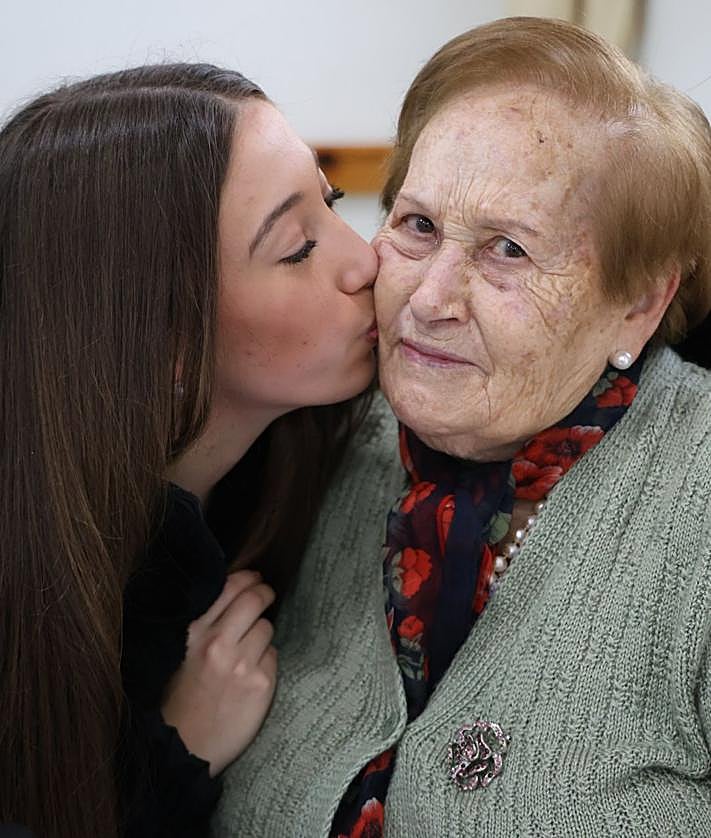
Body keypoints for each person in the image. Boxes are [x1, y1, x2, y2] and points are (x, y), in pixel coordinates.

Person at [215, 17, 711, 838]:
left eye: (507, 250)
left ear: (640, 302)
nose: (429, 298)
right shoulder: (309, 437)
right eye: (416, 226)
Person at [0, 64, 378, 838]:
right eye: (299, 246)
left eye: (333, 201)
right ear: (160, 341)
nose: (364, 260)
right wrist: (182, 749)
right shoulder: (34, 597)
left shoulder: (325, 444)